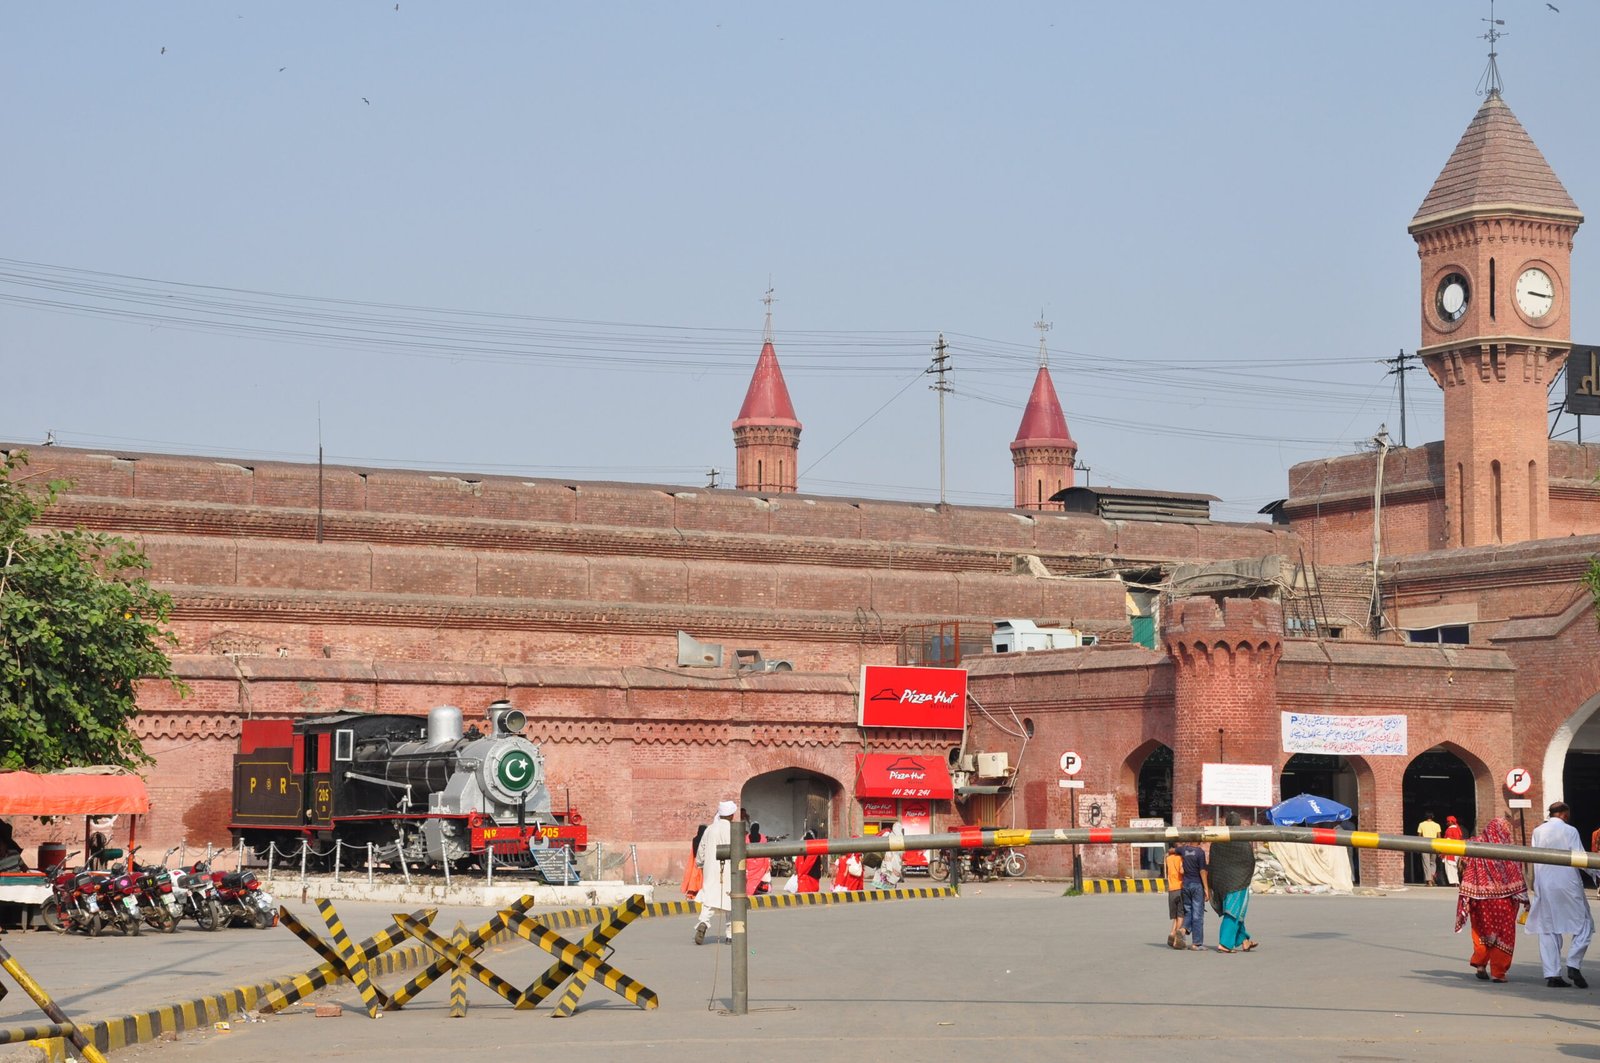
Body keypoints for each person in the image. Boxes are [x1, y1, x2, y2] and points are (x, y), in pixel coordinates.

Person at [1526, 801, 1594, 988]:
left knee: (1548, 928)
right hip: (1567, 883)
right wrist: (1596, 871)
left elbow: (1533, 857)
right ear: (1564, 814)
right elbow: (1580, 858)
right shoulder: (1570, 831)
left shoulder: (1538, 831)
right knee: (1585, 924)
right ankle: (1573, 963)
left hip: (1544, 884)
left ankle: (1552, 974)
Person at [1454, 816, 1527, 983]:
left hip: (1478, 898)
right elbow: (1516, 873)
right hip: (1504, 901)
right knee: (1503, 934)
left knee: (1481, 931)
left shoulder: (1474, 843)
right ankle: (1498, 972)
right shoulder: (1507, 849)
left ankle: (1480, 964)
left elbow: (1462, 865)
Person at [1210, 812, 1258, 953]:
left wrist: (1213, 883)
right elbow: (1250, 862)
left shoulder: (1217, 841)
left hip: (1221, 882)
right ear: (1239, 823)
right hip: (1238, 882)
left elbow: (1213, 863)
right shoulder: (1242, 842)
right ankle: (1224, 943)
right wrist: (1245, 877)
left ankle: (1244, 941)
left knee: (1238, 912)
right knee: (1232, 913)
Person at [694, 801, 737, 945]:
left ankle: (703, 923)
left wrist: (700, 863)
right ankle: (730, 935)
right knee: (731, 900)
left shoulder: (710, 829)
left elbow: (701, 849)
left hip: (711, 869)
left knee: (709, 898)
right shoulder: (734, 830)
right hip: (731, 870)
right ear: (732, 815)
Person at [1173, 838, 1210, 951]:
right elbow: (1202, 871)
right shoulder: (1200, 852)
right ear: (1199, 841)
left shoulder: (1184, 850)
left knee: (1189, 911)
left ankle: (1182, 929)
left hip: (1186, 885)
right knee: (1198, 914)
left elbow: (1172, 850)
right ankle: (1196, 943)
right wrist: (1206, 888)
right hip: (1196, 885)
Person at [1164, 842, 1186, 950]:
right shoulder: (1181, 858)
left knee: (1176, 915)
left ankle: (1172, 933)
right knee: (1181, 915)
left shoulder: (1168, 859)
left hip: (1171, 889)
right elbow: (1182, 871)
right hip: (1180, 888)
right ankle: (1177, 940)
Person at [681, 824, 706, 901]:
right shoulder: (704, 839)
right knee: (701, 878)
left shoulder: (694, 839)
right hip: (702, 860)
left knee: (694, 877)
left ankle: (692, 892)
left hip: (695, 860)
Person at [1416, 811, 1442, 885]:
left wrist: (1418, 847)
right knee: (1433, 863)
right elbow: (1439, 837)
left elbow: (1419, 836)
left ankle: (1429, 880)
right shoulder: (1437, 825)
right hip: (1434, 845)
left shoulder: (1421, 824)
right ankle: (1432, 876)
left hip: (1425, 845)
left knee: (1426, 863)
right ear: (1432, 817)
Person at [745, 823, 771, 895]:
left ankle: (750, 893)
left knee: (750, 880)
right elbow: (766, 852)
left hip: (749, 862)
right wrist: (768, 864)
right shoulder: (763, 838)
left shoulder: (746, 838)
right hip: (761, 862)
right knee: (759, 879)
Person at [1441, 816, 1463, 886]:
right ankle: (1456, 881)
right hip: (1457, 850)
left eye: (1448, 821)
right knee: (1455, 867)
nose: (1447, 823)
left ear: (1451, 822)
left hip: (1450, 851)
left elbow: (1448, 840)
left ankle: (1453, 882)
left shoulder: (1449, 830)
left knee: (1449, 867)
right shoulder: (1458, 829)